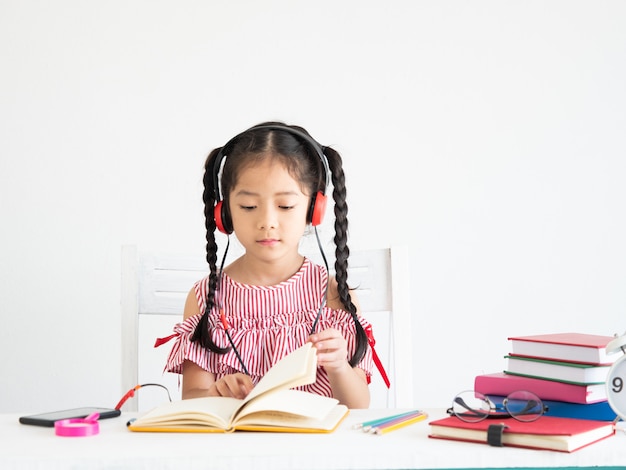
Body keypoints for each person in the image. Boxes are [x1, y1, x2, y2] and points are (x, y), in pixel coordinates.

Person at [161, 122, 375, 409]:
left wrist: (339, 367)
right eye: (248, 207)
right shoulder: (206, 299)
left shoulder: (335, 296)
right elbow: (191, 401)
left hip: (317, 451)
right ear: (224, 213)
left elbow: (358, 407)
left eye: (286, 206)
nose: (267, 222)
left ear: (315, 209)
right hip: (235, 450)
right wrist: (216, 394)